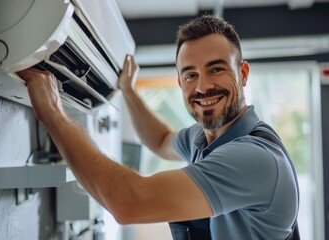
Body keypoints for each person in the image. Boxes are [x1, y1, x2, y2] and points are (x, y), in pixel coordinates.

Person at [18, 15, 299, 240]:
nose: (202, 87)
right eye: (191, 74)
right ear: (180, 83)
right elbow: (162, 139)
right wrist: (128, 91)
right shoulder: (205, 139)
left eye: (216, 69)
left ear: (244, 73)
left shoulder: (255, 159)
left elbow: (129, 202)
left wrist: (53, 113)